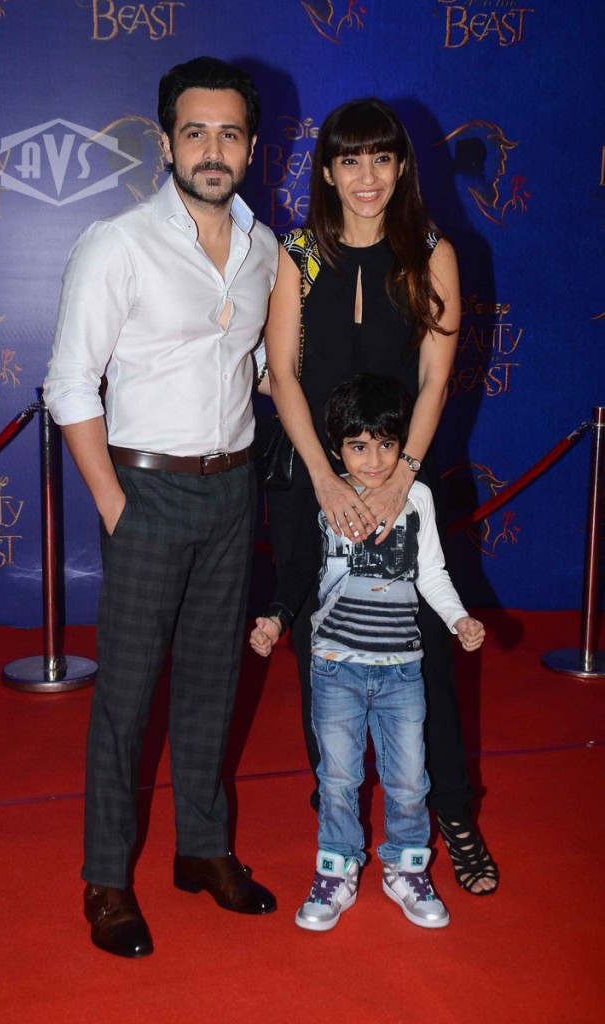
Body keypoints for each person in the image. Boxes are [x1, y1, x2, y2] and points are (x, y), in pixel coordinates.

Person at [43, 56, 279, 959]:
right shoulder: (118, 242)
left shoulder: (264, 249)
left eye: (229, 134)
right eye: (195, 132)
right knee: (128, 697)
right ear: (166, 142)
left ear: (251, 147)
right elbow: (71, 384)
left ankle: (202, 850)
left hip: (234, 488)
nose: (213, 151)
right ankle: (106, 879)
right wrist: (114, 505)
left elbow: (262, 368)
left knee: (215, 683)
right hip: (145, 489)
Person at [262, 97, 498, 895]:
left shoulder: (430, 252)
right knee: (320, 652)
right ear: (328, 171)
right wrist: (326, 479)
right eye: (350, 159)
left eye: (382, 157)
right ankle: (335, 813)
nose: (367, 176)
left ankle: (453, 813)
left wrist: (401, 478)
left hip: (404, 482)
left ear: (402, 167)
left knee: (425, 655)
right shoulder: (298, 254)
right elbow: (282, 374)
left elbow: (435, 377)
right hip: (312, 483)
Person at [251, 374, 486, 931]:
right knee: (336, 778)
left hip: (402, 670)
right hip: (335, 666)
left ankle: (407, 868)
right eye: (359, 447)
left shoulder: (417, 499)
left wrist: (458, 618)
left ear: (403, 446)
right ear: (337, 451)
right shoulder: (326, 499)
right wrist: (275, 618)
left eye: (386, 445)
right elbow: (300, 570)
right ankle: (335, 869)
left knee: (409, 781)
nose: (374, 460)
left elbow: (433, 573)